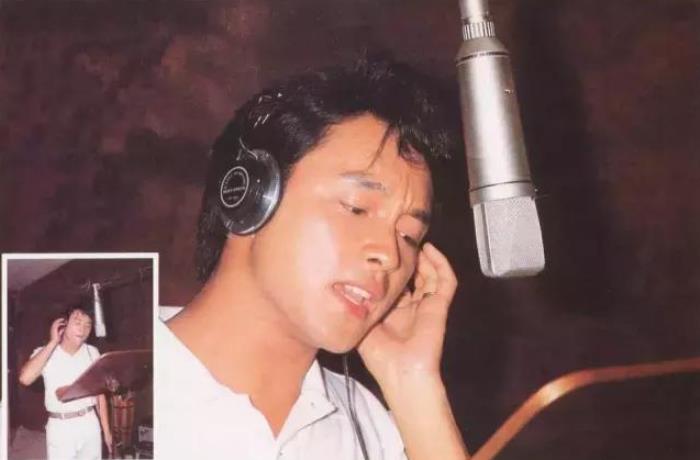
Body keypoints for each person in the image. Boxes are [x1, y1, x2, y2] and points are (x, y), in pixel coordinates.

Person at [157, 56, 470, 459]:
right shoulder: (109, 395)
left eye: (409, 236)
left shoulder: (373, 426)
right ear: (250, 196)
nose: (389, 255)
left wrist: (412, 384)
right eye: (356, 207)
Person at [18, 307, 113, 460]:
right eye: (77, 322)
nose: (83, 329)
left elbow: (99, 394)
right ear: (63, 325)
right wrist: (53, 342)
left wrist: (106, 431)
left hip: (90, 422)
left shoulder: (93, 352)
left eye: (88, 325)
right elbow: (25, 378)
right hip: (61, 426)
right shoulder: (45, 352)